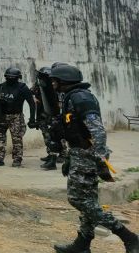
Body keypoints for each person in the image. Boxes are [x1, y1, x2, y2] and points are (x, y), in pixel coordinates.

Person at [50, 64, 139, 253]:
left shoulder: (81, 98)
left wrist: (99, 157)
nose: (52, 83)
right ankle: (83, 244)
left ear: (63, 81)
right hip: (78, 154)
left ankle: (128, 236)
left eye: (55, 80)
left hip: (87, 156)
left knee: (78, 199)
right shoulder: (70, 97)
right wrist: (69, 158)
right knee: (88, 200)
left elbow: (97, 129)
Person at [0, 67, 35, 168]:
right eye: (8, 77)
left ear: (17, 78)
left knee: (17, 138)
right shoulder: (1, 87)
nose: (10, 79)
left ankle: (17, 159)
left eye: (12, 78)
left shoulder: (22, 88)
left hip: (16, 117)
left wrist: (32, 119)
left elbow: (32, 103)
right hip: (2, 116)